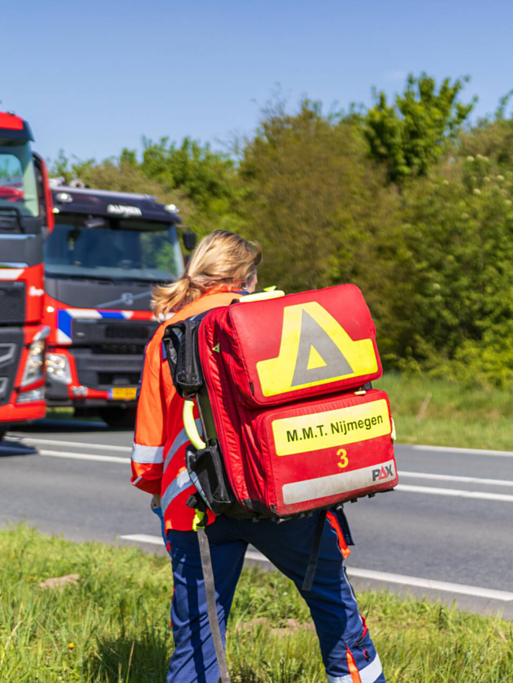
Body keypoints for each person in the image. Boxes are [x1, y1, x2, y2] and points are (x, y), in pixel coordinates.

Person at [131, 230, 386, 683]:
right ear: (246, 277)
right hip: (284, 500)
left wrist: (164, 496)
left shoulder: (167, 337)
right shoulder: (273, 317)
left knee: (198, 643)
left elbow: (148, 457)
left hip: (197, 510)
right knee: (335, 611)